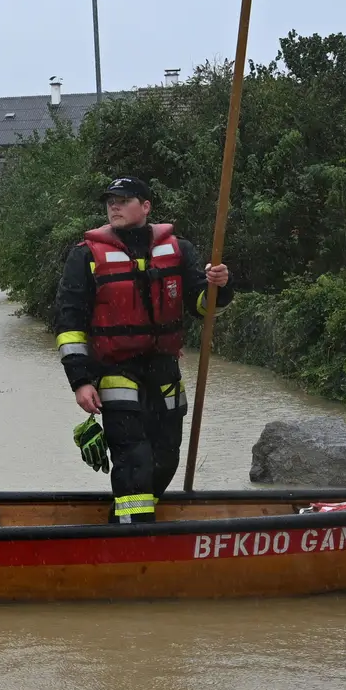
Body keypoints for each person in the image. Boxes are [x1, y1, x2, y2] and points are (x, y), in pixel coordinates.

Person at [52, 175, 231, 522]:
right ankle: (132, 536)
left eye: (124, 199)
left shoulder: (179, 250)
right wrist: (81, 381)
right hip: (116, 371)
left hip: (164, 369)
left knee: (166, 457)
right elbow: (69, 324)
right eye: (110, 201)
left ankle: (125, 522)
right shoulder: (86, 256)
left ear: (146, 206)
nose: (114, 206)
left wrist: (220, 287)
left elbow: (202, 308)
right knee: (134, 458)